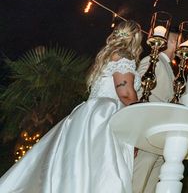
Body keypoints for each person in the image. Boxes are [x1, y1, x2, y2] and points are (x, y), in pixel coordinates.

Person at [0, 20, 144, 192]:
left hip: (90, 114)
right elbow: (125, 93)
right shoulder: (123, 57)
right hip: (106, 117)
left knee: (78, 168)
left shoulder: (108, 55)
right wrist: (140, 115)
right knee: (102, 170)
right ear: (136, 38)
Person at [132, 30, 178, 193]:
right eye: (177, 41)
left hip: (162, 132)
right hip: (149, 126)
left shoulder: (172, 69)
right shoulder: (153, 60)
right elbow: (138, 88)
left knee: (153, 181)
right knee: (140, 175)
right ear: (171, 42)